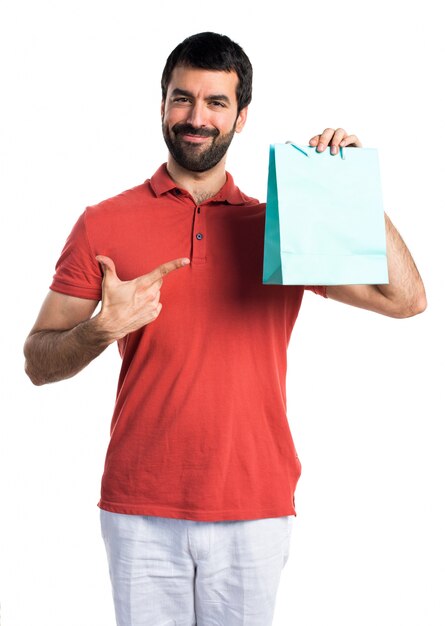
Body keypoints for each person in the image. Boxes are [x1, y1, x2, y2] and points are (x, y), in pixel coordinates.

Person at [23, 31, 426, 626]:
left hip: (254, 505)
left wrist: (352, 188)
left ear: (241, 116)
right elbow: (37, 360)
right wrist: (100, 329)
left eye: (216, 103)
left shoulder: (283, 226)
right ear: (162, 105)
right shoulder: (102, 222)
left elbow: (406, 299)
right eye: (182, 98)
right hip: (140, 506)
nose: (196, 117)